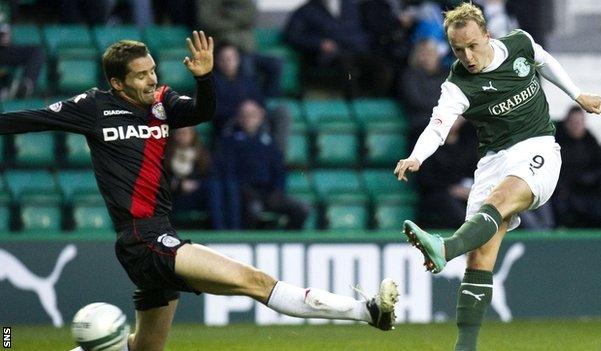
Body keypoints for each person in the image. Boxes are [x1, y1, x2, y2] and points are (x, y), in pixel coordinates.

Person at [0, 31, 398, 351]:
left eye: (152, 70)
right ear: (117, 82)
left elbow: (203, 112)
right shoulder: (93, 106)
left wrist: (205, 79)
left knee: (143, 348)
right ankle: (368, 312)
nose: (152, 79)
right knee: (255, 281)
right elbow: (27, 119)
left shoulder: (162, 102)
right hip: (144, 237)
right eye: (141, 75)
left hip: (155, 233)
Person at [393, 3, 601, 351]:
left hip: (537, 149)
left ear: (487, 34)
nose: (468, 56)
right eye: (459, 50)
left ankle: (445, 246)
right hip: (492, 162)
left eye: (473, 46)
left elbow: (544, 60)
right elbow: (438, 125)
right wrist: (417, 156)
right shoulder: (458, 83)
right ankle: (466, 346)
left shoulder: (519, 43)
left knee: (501, 199)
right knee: (480, 259)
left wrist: (577, 94)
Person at [217, 99, 310, 230]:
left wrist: (277, 190)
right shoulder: (230, 142)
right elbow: (229, 172)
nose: (248, 119)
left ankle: (287, 243)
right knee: (254, 211)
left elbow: (279, 169)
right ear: (238, 117)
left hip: (269, 194)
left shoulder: (269, 142)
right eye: (245, 115)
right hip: (245, 195)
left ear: (261, 116)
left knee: (302, 209)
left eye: (252, 115)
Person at [553, 106, 601, 228]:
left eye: (580, 123)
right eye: (573, 123)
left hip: (592, 192)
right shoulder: (556, 145)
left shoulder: (591, 142)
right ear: (567, 123)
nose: (577, 126)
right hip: (565, 194)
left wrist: (591, 178)